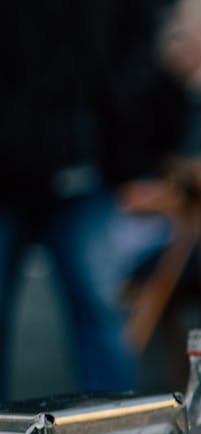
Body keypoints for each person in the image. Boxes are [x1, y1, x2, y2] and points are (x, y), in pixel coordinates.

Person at [0, 0, 187, 400]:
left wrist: (125, 149)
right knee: (98, 312)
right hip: (42, 165)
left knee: (98, 312)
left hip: (83, 167)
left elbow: (130, 53)